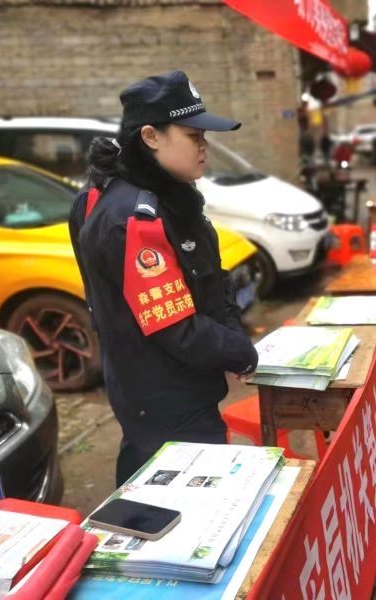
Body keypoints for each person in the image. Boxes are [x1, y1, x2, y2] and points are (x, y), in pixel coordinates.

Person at [69, 70, 258, 486]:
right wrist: (239, 351)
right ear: (151, 137)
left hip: (175, 390)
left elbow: (210, 278)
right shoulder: (132, 218)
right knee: (184, 512)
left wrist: (231, 334)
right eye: (193, 136)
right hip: (165, 398)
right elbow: (175, 327)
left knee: (144, 479)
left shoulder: (174, 195)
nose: (205, 147)